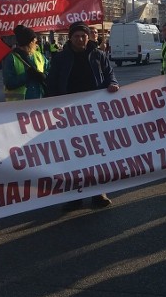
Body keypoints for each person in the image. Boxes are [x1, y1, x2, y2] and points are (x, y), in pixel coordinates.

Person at [47, 21, 120, 209]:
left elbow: (110, 75)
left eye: (83, 36)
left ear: (88, 37)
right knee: (72, 155)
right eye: (77, 36)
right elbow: (52, 84)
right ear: (70, 38)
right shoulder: (60, 58)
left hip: (94, 113)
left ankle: (98, 192)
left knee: (97, 153)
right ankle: (74, 195)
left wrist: (112, 84)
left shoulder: (99, 55)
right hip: (68, 113)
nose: (80, 39)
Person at [2, 25, 47, 101]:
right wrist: (27, 75)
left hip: (40, 100)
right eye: (34, 41)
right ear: (29, 43)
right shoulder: (12, 58)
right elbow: (9, 83)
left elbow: (49, 69)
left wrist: (44, 75)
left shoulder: (39, 55)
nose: (36, 44)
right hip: (21, 105)